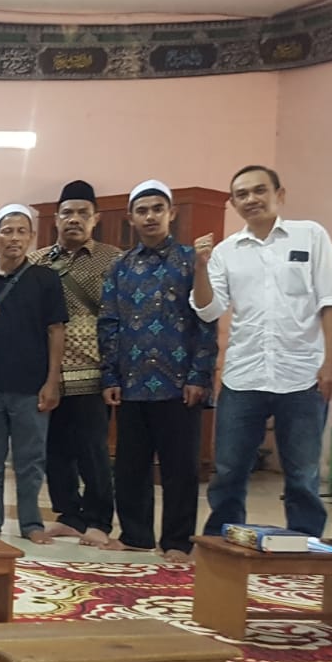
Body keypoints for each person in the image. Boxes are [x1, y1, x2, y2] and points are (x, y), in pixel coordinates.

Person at [194, 165, 332, 538]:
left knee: (303, 474)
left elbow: (331, 300)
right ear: (234, 204)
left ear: (280, 194)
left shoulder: (311, 235)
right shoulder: (226, 251)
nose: (251, 199)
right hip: (244, 376)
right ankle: (222, 544)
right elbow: (209, 309)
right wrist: (200, 267)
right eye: (242, 194)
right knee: (229, 471)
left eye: (259, 190)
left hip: (303, 375)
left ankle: (305, 545)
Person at [99, 180, 217, 562]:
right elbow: (109, 323)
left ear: (171, 213)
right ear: (131, 218)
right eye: (142, 210)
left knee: (180, 468)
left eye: (157, 209)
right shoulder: (120, 267)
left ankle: (178, 542)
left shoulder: (191, 261)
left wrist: (199, 376)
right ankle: (135, 535)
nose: (150, 216)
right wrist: (110, 376)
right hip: (132, 382)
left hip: (179, 383)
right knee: (130, 466)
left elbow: (206, 321)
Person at [0, 204, 67, 543]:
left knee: (30, 459)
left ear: (31, 238)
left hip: (31, 385)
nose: (14, 238)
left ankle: (31, 524)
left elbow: (56, 330)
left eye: (21, 231)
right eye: (7, 231)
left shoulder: (45, 279)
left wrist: (52, 381)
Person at [31, 180, 123, 548]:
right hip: (47, 373)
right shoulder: (36, 261)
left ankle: (98, 520)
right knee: (54, 450)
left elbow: (119, 316)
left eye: (83, 213)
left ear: (95, 218)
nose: (74, 219)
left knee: (93, 450)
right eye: (67, 212)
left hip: (93, 370)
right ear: (56, 218)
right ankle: (68, 515)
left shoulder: (113, 259)